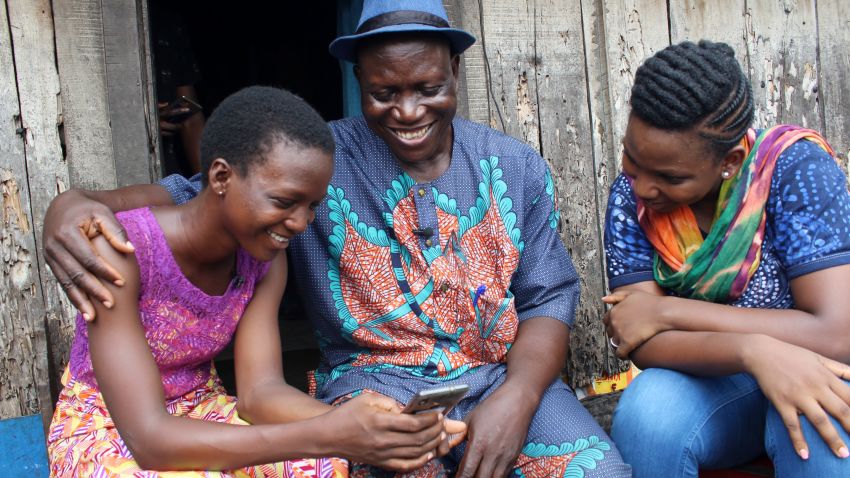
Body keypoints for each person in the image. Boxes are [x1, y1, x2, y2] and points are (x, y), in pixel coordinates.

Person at [42, 1, 631, 476]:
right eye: (382, 92)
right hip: (370, 381)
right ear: (358, 81)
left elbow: (548, 297)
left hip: (502, 378)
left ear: (455, 72)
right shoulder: (315, 160)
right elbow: (198, 198)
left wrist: (520, 397)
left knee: (599, 471)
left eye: (427, 87)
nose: (407, 110)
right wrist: (69, 206)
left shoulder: (515, 166)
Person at [46, 86, 463, 477]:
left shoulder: (264, 259)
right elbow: (148, 440)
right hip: (109, 426)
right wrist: (327, 433)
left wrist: (375, 423)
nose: (300, 223)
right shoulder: (123, 249)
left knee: (321, 466)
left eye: (312, 205)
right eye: (284, 202)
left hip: (202, 409)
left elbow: (260, 393)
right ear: (222, 177)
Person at [602, 40, 850, 477]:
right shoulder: (632, 198)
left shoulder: (793, 169)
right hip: (717, 382)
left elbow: (834, 333)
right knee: (648, 414)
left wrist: (668, 309)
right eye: (631, 159)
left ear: (730, 162)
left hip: (820, 365)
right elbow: (639, 337)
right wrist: (752, 352)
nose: (643, 187)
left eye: (671, 177)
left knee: (819, 421)